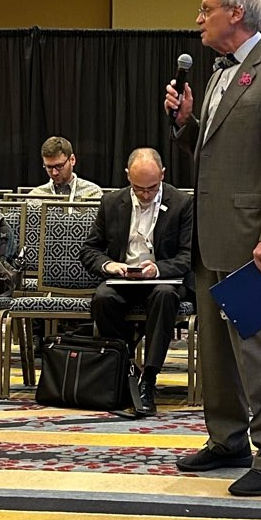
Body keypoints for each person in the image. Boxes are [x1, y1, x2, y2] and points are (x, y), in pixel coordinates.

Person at [164, 0, 261, 497]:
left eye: (205, 10)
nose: (198, 20)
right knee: (217, 352)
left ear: (237, 14)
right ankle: (228, 440)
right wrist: (186, 125)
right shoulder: (218, 75)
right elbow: (215, 157)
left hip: (256, 240)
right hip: (210, 236)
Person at [80, 148, 193, 417]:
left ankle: (149, 378)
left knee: (165, 295)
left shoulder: (182, 203)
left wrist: (156, 269)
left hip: (163, 278)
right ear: (127, 176)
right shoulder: (111, 202)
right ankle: (127, 367)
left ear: (163, 175)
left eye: (152, 188)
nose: (145, 194)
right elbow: (90, 250)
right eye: (138, 188)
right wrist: (109, 265)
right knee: (103, 298)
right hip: (123, 279)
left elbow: (188, 256)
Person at [28, 137, 102, 201]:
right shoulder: (35, 197)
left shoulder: (92, 193)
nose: (54, 173)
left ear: (72, 160)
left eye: (59, 166)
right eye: (49, 167)